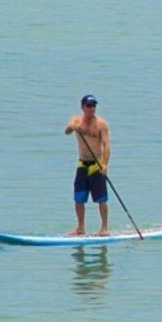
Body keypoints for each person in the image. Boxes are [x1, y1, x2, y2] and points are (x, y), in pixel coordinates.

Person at [63, 95, 116, 236]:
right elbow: (66, 131)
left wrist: (105, 165)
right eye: (89, 105)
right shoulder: (76, 120)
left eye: (94, 106)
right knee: (79, 198)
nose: (92, 108)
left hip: (96, 165)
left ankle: (104, 228)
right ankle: (80, 227)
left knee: (101, 199)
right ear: (82, 107)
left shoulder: (101, 124)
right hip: (82, 164)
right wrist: (73, 127)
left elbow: (106, 145)